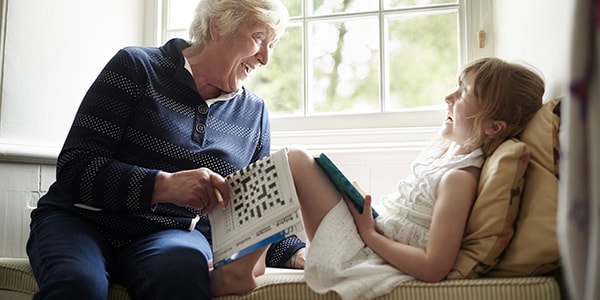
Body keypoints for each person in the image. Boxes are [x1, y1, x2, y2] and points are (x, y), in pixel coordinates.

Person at [211, 57, 545, 299]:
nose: (449, 97)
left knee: (295, 160)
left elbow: (433, 267)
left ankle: (240, 270)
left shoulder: (460, 178)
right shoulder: (447, 152)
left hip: (366, 253)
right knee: (295, 160)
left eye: (463, 93)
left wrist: (369, 233)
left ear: (493, 126)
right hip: (371, 234)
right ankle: (245, 261)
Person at [25, 0, 296, 299]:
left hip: (173, 235)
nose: (266, 58)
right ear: (217, 26)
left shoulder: (254, 114)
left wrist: (292, 251)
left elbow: (252, 209)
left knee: (180, 278)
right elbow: (75, 168)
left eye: (273, 44)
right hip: (81, 221)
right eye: (259, 38)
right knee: (78, 286)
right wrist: (162, 186)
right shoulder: (136, 67)